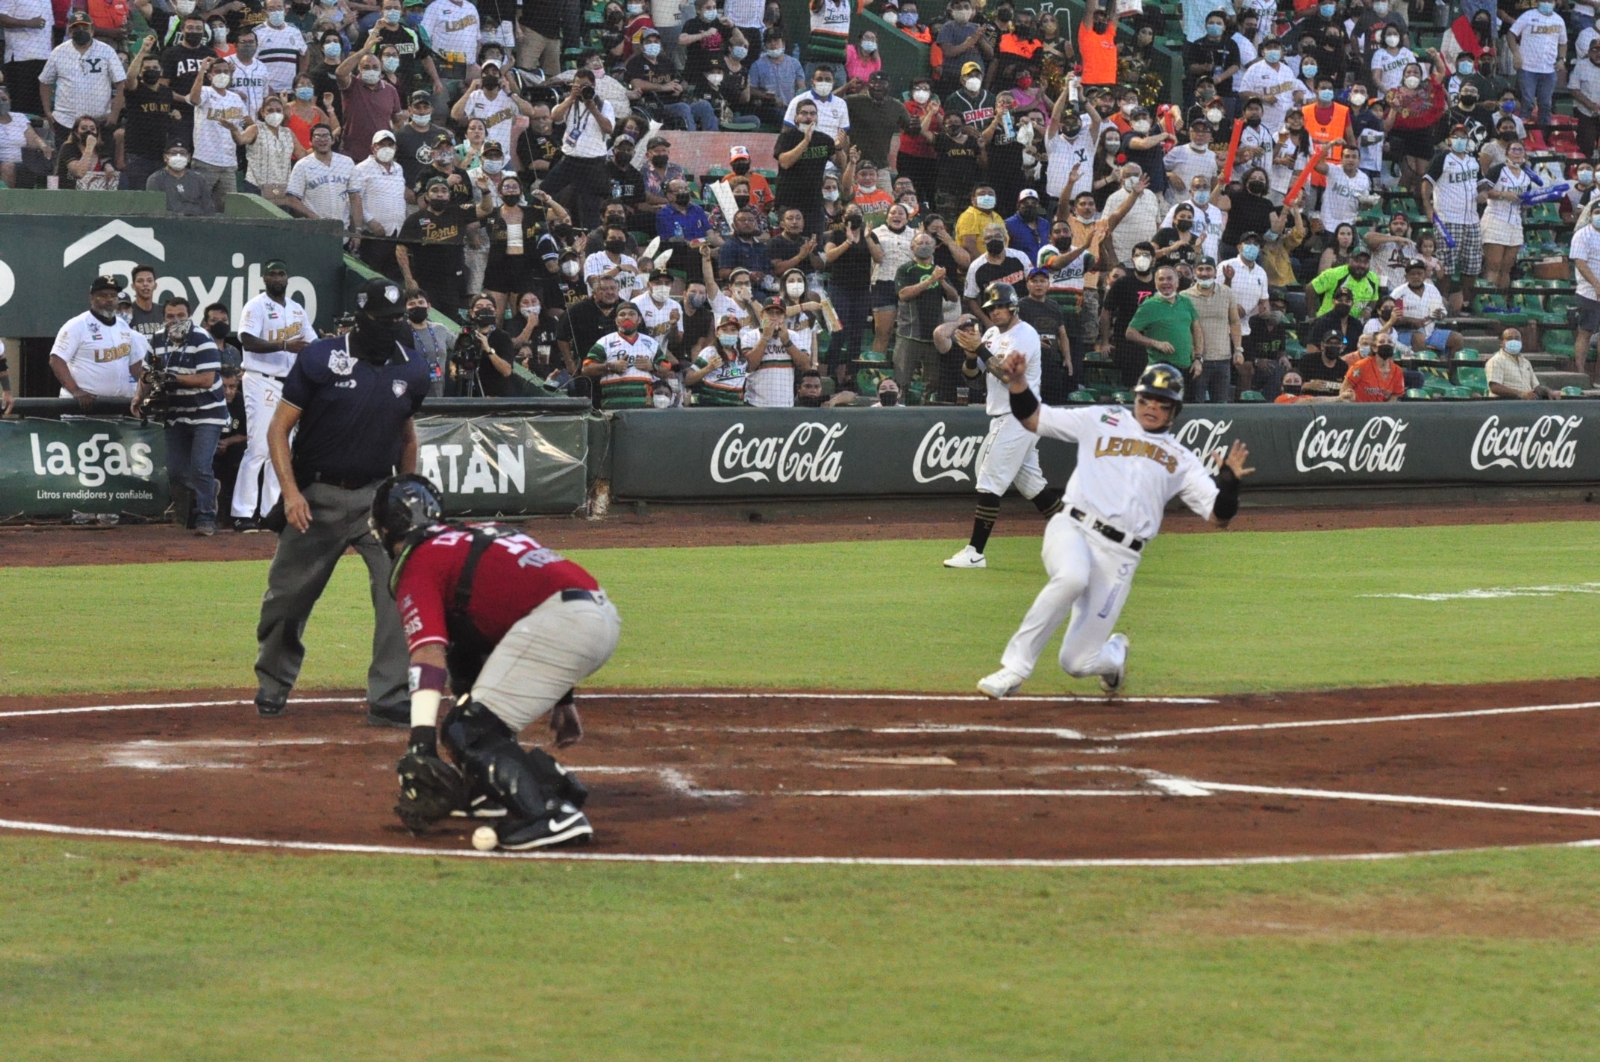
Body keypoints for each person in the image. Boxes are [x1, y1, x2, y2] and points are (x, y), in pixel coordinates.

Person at [975, 362, 1252, 698]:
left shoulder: (1181, 459)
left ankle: (1114, 656)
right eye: (1146, 399)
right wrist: (1018, 381)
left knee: (1076, 662)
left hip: (1121, 555)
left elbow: (1218, 518)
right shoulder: (1102, 418)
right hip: (1073, 526)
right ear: (1135, 399)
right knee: (1071, 577)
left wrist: (1229, 488)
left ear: (1174, 410)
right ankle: (1014, 669)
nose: (1151, 407)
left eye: (1161, 403)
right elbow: (1033, 417)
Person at [372, 474, 616, 850]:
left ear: (387, 529)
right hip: (593, 614)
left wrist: (421, 740)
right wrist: (563, 698)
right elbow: (509, 609)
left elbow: (427, 651)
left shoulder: (420, 559)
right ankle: (537, 784)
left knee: (467, 729)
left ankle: (549, 815)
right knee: (476, 710)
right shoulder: (480, 533)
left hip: (560, 624)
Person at [254, 278, 430, 726]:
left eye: (396, 320)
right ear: (361, 317)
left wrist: (406, 491)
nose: (389, 327)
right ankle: (273, 684)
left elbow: (407, 434)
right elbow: (278, 429)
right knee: (287, 599)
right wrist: (290, 494)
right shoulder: (320, 357)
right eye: (381, 320)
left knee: (400, 589)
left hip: (377, 497)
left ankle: (390, 694)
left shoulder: (412, 368)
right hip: (319, 494)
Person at [943, 282, 1065, 570]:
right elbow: (972, 377)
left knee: (989, 481)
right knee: (1034, 486)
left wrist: (981, 351)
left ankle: (975, 551)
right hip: (1005, 415)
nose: (996, 312)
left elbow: (1010, 377)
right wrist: (972, 356)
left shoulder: (1026, 334)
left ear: (1013, 306)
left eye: (1001, 306)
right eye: (991, 307)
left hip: (1017, 415)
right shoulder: (991, 334)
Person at [232, 260, 315, 532]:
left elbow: (312, 342)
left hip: (288, 383)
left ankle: (269, 513)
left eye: (281, 273)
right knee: (258, 447)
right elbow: (246, 339)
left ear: (288, 277)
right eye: (272, 274)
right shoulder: (256, 305)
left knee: (281, 449)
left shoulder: (296, 309)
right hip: (260, 379)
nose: (277, 277)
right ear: (265, 278)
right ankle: (242, 513)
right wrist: (284, 344)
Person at [132, 295, 226, 535]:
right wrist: (138, 397)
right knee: (175, 471)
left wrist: (172, 378)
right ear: (163, 318)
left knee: (200, 466)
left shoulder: (202, 339)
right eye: (170, 316)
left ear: (189, 316)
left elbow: (207, 379)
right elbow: (146, 372)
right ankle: (208, 489)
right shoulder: (157, 338)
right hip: (175, 412)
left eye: (180, 316)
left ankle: (206, 518)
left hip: (206, 411)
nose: (175, 321)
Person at [51, 275, 149, 410]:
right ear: (91, 298)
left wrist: (148, 388)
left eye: (113, 296)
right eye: (103, 295)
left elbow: (134, 365)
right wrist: (75, 390)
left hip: (117, 406)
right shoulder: (77, 325)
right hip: (83, 406)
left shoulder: (123, 326)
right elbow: (56, 360)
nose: (109, 300)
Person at [396, 175, 477, 322]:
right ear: (426, 196)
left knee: (452, 320)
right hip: (426, 281)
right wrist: (408, 279)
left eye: (444, 190)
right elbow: (401, 248)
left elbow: (486, 209)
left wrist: (484, 191)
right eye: (434, 190)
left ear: (449, 195)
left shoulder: (458, 213)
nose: (439, 194)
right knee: (428, 319)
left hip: (453, 281)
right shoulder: (415, 219)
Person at [39, 10, 127, 143]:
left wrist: (114, 115)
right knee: (65, 162)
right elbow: (45, 82)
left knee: (102, 162)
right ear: (69, 31)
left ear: (92, 30)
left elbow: (121, 84)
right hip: (66, 121)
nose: (81, 31)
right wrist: (47, 111)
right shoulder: (58, 52)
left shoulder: (106, 51)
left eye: (85, 28)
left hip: (99, 122)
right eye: (76, 28)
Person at [1184, 257, 1241, 403]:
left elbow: (1234, 322)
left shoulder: (1226, 292)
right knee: (1197, 406)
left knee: (1221, 407)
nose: (1204, 273)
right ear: (1194, 272)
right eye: (1200, 269)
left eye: (1208, 269)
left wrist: (1238, 350)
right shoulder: (1184, 297)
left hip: (1223, 360)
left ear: (1215, 272)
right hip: (1196, 361)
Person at [283, 123, 353, 225]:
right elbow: (291, 199)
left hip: (343, 230)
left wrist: (357, 229)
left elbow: (355, 197)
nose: (322, 139)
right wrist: (315, 218)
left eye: (325, 136)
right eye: (317, 136)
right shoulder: (302, 165)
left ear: (332, 140)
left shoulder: (346, 162)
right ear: (310, 142)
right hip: (315, 230)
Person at [1510, 1, 1566, 127]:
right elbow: (1511, 34)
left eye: (1550, 1)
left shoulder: (1559, 20)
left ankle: (1544, 134)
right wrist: (1516, 53)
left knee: (1546, 105)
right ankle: (1522, 132)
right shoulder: (1528, 15)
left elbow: (1563, 43)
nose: (1547, 3)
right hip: (1527, 68)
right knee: (1528, 102)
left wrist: (1561, 59)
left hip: (1549, 69)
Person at [405, 288, 450, 396]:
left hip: (438, 395)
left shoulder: (440, 329)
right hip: (410, 396)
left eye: (421, 302)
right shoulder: (401, 331)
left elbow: (461, 344)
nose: (417, 306)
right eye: (412, 304)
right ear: (405, 309)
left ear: (429, 306)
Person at [1487, 328, 1555, 399]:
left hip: (1526, 405)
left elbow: (1536, 387)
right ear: (1501, 342)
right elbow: (1495, 387)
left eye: (1517, 338)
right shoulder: (1496, 361)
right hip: (1505, 405)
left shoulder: (1526, 362)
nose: (1514, 341)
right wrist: (1521, 394)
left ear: (1521, 341)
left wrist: (1549, 391)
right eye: (1509, 338)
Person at [1340, 337, 1404, 402]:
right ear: (1374, 348)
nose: (1386, 344)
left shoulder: (1397, 371)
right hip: (1358, 409)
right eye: (1382, 342)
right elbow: (1345, 388)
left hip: (1382, 410)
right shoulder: (1361, 365)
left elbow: (1395, 396)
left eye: (1390, 342)